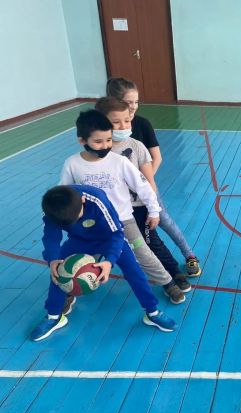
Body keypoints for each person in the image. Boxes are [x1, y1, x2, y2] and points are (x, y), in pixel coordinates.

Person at [59, 109, 186, 305]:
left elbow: (143, 186)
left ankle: (167, 282)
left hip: (124, 221)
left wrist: (154, 210)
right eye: (98, 141)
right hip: (90, 225)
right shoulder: (72, 164)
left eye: (109, 140)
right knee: (79, 259)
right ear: (82, 140)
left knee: (143, 254)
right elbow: (64, 192)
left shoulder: (120, 162)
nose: (105, 146)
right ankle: (69, 291)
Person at [31, 185, 177, 341]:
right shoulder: (52, 208)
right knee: (58, 272)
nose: (77, 221)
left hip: (109, 239)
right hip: (79, 241)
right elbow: (50, 237)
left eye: (78, 216)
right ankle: (54, 317)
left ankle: (152, 312)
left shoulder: (96, 198)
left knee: (134, 272)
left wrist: (109, 261)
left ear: (83, 199)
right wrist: (53, 259)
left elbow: (116, 233)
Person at [94, 97, 193, 299]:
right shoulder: (99, 151)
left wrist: (152, 208)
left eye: (127, 120)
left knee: (151, 243)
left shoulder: (137, 146)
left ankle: (173, 272)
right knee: (96, 245)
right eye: (116, 122)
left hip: (139, 208)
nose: (123, 126)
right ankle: (78, 280)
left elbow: (149, 181)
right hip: (111, 211)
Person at [106, 77, 202, 277]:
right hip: (120, 195)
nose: (133, 106)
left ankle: (189, 255)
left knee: (164, 220)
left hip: (146, 189)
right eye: (128, 102)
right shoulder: (105, 130)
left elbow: (156, 158)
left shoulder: (142, 124)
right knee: (137, 231)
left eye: (136, 101)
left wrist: (142, 183)